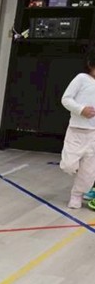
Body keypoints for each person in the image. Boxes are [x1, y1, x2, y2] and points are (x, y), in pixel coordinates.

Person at [60, 47, 95, 208]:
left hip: (93, 134)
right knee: (69, 164)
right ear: (90, 64)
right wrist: (81, 110)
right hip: (76, 130)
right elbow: (66, 99)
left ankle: (77, 196)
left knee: (88, 171)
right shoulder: (81, 79)